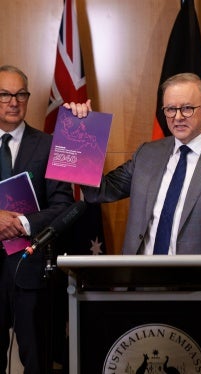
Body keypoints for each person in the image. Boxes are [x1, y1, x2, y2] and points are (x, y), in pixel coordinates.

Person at [65, 72, 201, 255]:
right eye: (170, 109)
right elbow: (99, 192)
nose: (177, 117)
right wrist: (82, 133)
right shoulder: (147, 154)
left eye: (187, 108)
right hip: (141, 285)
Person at [0, 65, 74, 374]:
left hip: (31, 269)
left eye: (21, 94)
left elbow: (64, 205)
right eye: (5, 94)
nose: (13, 101)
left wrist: (23, 224)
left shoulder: (49, 144)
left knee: (38, 361)